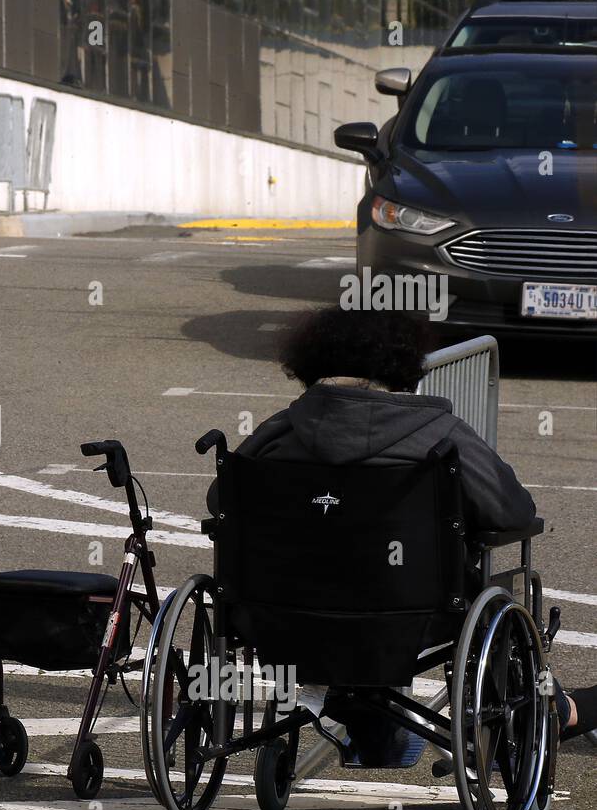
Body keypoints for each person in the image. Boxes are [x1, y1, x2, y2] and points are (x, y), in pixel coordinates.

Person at [208, 307, 596, 746]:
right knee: (492, 589)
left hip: (280, 613)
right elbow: (514, 514)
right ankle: (559, 710)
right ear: (406, 368)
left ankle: (363, 713)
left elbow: (222, 505)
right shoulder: (441, 436)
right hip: (419, 615)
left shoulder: (275, 435)